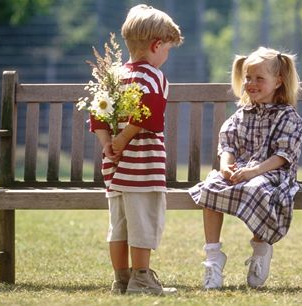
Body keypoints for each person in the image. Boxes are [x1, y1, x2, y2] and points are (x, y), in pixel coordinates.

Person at [189, 47, 302, 289]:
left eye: (259, 78)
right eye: (248, 78)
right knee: (211, 187)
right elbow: (228, 144)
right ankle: (213, 257)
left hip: (272, 174)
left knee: (257, 188)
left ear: (278, 82)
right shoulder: (241, 114)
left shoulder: (288, 117)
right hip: (242, 171)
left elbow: (282, 156)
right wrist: (225, 168)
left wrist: (254, 171)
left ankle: (261, 248)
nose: (251, 83)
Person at [89, 4, 183, 295]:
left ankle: (121, 279)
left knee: (119, 225)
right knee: (144, 222)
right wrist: (123, 139)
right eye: (167, 49)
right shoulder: (153, 76)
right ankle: (141, 279)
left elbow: (97, 114)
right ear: (156, 45)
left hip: (115, 167)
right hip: (142, 166)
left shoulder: (114, 75)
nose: (166, 56)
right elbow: (148, 115)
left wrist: (108, 144)